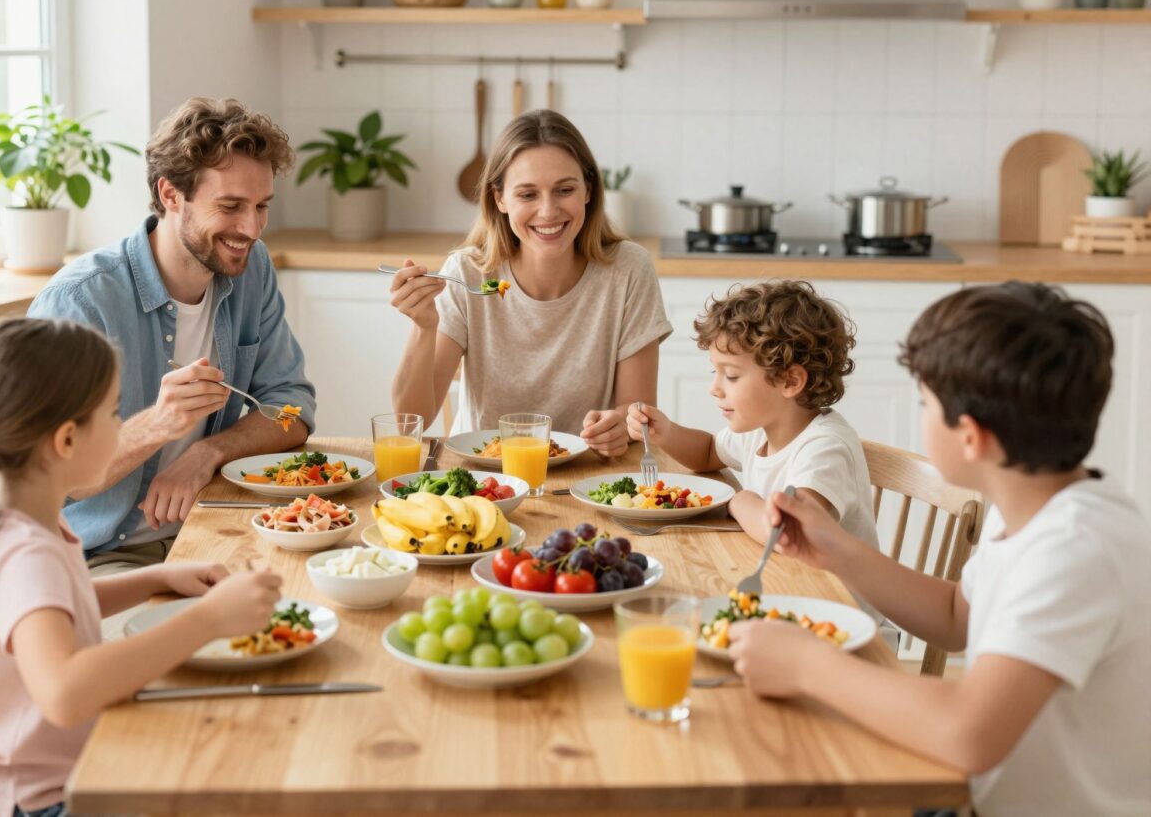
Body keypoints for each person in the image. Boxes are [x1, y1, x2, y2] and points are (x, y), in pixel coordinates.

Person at [729, 283, 1151, 817]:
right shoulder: (1034, 499)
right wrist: (836, 551)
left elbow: (968, 732)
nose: (922, 414)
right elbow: (958, 615)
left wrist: (806, 666)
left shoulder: (1074, 550)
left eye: (925, 403)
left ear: (971, 437)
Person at [0, 318, 282, 817]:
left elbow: (47, 615)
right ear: (66, 441)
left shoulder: (10, 515)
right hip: (30, 801)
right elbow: (64, 691)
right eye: (112, 413)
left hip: (41, 781)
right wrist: (210, 619)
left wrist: (154, 578)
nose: (123, 424)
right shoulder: (24, 552)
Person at [28, 97, 315, 567]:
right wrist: (159, 425)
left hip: (215, 528)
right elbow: (49, 476)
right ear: (170, 195)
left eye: (262, 206)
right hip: (102, 556)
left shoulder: (251, 269)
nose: (252, 229)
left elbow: (292, 408)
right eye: (230, 206)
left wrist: (208, 451)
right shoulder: (79, 302)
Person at [388, 109, 672, 457]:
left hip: (585, 475)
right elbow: (407, 422)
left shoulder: (628, 270)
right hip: (485, 478)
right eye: (527, 195)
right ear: (500, 199)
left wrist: (619, 425)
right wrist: (423, 326)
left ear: (588, 191)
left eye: (564, 189)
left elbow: (636, 414)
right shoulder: (468, 274)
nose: (548, 211)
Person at [627, 281, 879, 554]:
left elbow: (786, 532)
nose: (715, 388)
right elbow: (709, 452)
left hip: (835, 594)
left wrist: (739, 500)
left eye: (732, 376)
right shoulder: (759, 430)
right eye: (716, 373)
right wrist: (666, 432)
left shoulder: (825, 448)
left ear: (790, 380)